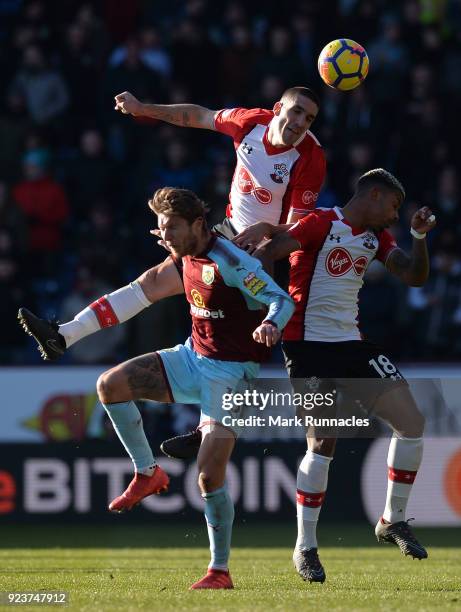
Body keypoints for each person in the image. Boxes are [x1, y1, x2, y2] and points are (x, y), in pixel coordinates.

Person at [163, 169, 436, 582]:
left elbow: (413, 275)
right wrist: (260, 302)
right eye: (394, 207)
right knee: (323, 441)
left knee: (412, 423)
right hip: (307, 349)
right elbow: (273, 250)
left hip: (352, 345)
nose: (395, 216)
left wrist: (418, 238)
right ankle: (305, 548)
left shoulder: (377, 238)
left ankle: (392, 520)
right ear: (375, 195)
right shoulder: (321, 222)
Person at [20, 187, 295, 590]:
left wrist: (271, 321)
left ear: (198, 225)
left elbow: (280, 299)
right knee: (110, 385)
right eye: (160, 227)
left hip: (232, 374)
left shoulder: (232, 261)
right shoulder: (183, 257)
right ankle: (148, 473)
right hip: (190, 359)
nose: (163, 235)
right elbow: (137, 293)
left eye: (171, 227)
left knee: (208, 477)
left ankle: (219, 570)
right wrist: (66, 334)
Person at [16, 85, 324, 361]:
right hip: (228, 235)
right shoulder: (250, 122)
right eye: (296, 111)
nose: (300, 123)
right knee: (152, 283)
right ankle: (63, 336)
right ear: (277, 109)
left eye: (308, 119)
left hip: (263, 255)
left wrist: (265, 233)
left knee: (230, 342)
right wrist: (143, 110)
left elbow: (296, 232)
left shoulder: (310, 158)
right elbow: (197, 115)